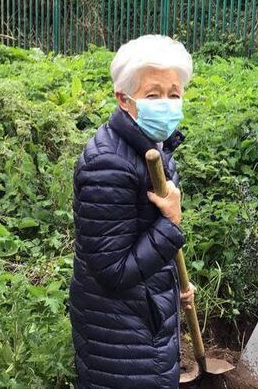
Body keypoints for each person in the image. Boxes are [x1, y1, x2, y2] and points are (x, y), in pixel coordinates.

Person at [69, 35, 196, 389]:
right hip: (121, 339)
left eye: (174, 93)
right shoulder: (107, 164)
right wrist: (172, 223)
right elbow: (113, 271)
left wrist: (171, 286)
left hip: (142, 323)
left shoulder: (150, 148)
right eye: (153, 95)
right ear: (124, 100)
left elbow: (142, 242)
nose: (167, 103)